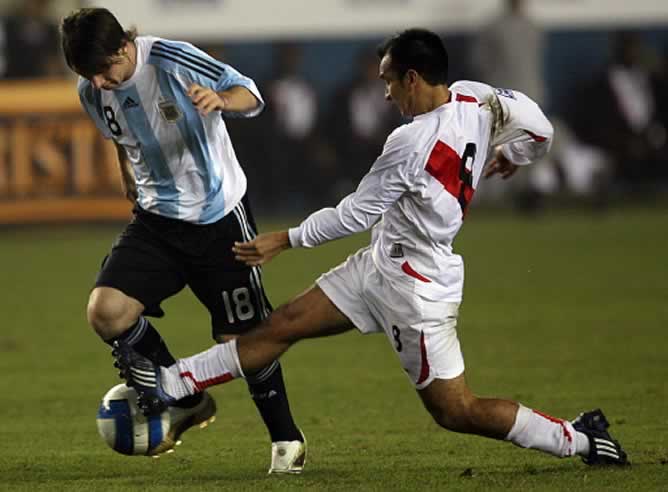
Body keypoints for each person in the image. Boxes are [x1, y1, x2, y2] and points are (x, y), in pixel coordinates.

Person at [116, 28, 628, 468]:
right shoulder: (478, 98)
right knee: (280, 326)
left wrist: (286, 239)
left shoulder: (410, 142)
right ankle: (173, 382)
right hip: (379, 267)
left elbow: (355, 214)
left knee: (455, 411)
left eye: (388, 80)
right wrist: (514, 153)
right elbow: (541, 127)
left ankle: (580, 437)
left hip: (417, 290)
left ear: (412, 79)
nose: (385, 93)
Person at [60, 8, 306, 472]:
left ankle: (286, 439)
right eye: (87, 75)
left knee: (245, 339)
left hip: (218, 217)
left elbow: (249, 92)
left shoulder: (171, 59)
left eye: (103, 70)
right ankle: (185, 395)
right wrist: (124, 168)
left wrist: (221, 101)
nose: (98, 83)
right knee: (106, 312)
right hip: (156, 220)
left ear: (123, 47)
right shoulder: (92, 90)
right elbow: (118, 131)